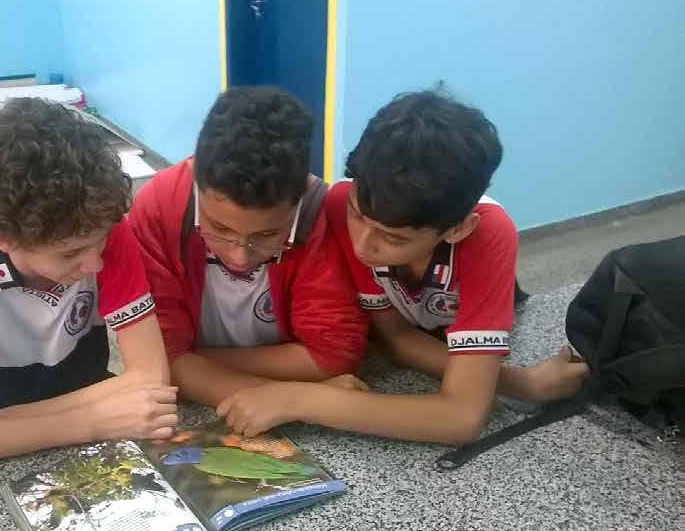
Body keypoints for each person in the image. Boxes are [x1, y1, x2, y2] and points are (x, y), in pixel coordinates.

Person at [219, 90, 588, 443]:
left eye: (393, 238)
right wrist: (522, 384)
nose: (362, 245)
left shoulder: (489, 235)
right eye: (356, 216)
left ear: (458, 228)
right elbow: (394, 339)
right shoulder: (336, 203)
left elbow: (461, 417)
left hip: (456, 328)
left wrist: (299, 400)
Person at [0, 98, 177, 467]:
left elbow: (151, 377)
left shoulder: (105, 229)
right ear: (2, 238)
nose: (94, 263)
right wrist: (87, 423)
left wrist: (20, 418)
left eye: (100, 243)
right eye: (69, 254)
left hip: (39, 409)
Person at [128, 86, 368, 418]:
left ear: (297, 202)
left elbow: (333, 355)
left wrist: (188, 361)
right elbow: (159, 359)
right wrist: (301, 399)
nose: (239, 257)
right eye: (219, 229)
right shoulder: (158, 208)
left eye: (268, 234)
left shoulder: (319, 213)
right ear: (198, 185)